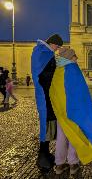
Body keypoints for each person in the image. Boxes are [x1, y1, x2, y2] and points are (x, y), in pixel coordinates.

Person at [49, 48, 92, 175]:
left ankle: (59, 164)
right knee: (76, 135)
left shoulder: (57, 70)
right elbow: (81, 90)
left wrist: (58, 107)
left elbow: (53, 92)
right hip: (74, 109)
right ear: (68, 58)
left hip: (61, 111)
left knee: (62, 136)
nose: (76, 58)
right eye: (74, 56)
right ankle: (73, 163)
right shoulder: (73, 69)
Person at [31, 34, 63, 171]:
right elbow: (44, 76)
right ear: (52, 43)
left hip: (46, 95)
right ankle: (42, 158)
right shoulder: (44, 54)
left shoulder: (42, 53)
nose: (57, 49)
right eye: (57, 46)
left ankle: (45, 153)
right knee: (46, 125)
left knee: (48, 125)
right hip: (46, 96)